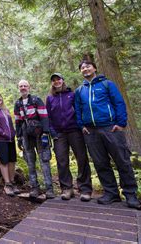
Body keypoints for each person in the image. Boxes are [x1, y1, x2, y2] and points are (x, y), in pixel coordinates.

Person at [74, 59, 140, 209]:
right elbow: (78, 109)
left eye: (88, 66)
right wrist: (81, 125)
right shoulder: (80, 90)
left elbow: (119, 103)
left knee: (122, 160)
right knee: (100, 163)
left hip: (110, 128)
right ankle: (111, 193)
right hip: (90, 131)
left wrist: (121, 123)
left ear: (95, 68)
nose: (85, 69)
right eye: (82, 68)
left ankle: (130, 194)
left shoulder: (107, 84)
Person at [46, 73, 93, 201]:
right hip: (59, 133)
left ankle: (85, 189)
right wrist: (52, 132)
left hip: (75, 131)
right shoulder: (50, 98)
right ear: (52, 83)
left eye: (58, 79)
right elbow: (48, 117)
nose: (56, 82)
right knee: (62, 161)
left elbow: (79, 110)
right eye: (54, 80)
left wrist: (80, 125)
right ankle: (67, 188)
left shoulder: (72, 95)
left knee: (81, 159)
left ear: (63, 80)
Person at [14, 80, 54, 198]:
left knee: (44, 160)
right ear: (19, 88)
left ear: (29, 87)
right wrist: (19, 137)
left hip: (39, 133)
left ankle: (49, 189)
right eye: (21, 86)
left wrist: (46, 133)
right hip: (26, 135)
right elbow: (17, 121)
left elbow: (44, 116)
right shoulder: (18, 103)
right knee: (30, 162)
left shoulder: (36, 100)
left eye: (25, 86)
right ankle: (34, 188)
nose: (23, 88)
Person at [0, 92, 20, 196]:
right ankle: (7, 184)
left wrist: (13, 132)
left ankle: (12, 181)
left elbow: (10, 124)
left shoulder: (6, 110)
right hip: (0, 139)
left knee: (12, 160)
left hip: (10, 139)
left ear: (1, 98)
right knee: (4, 161)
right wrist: (1, 132)